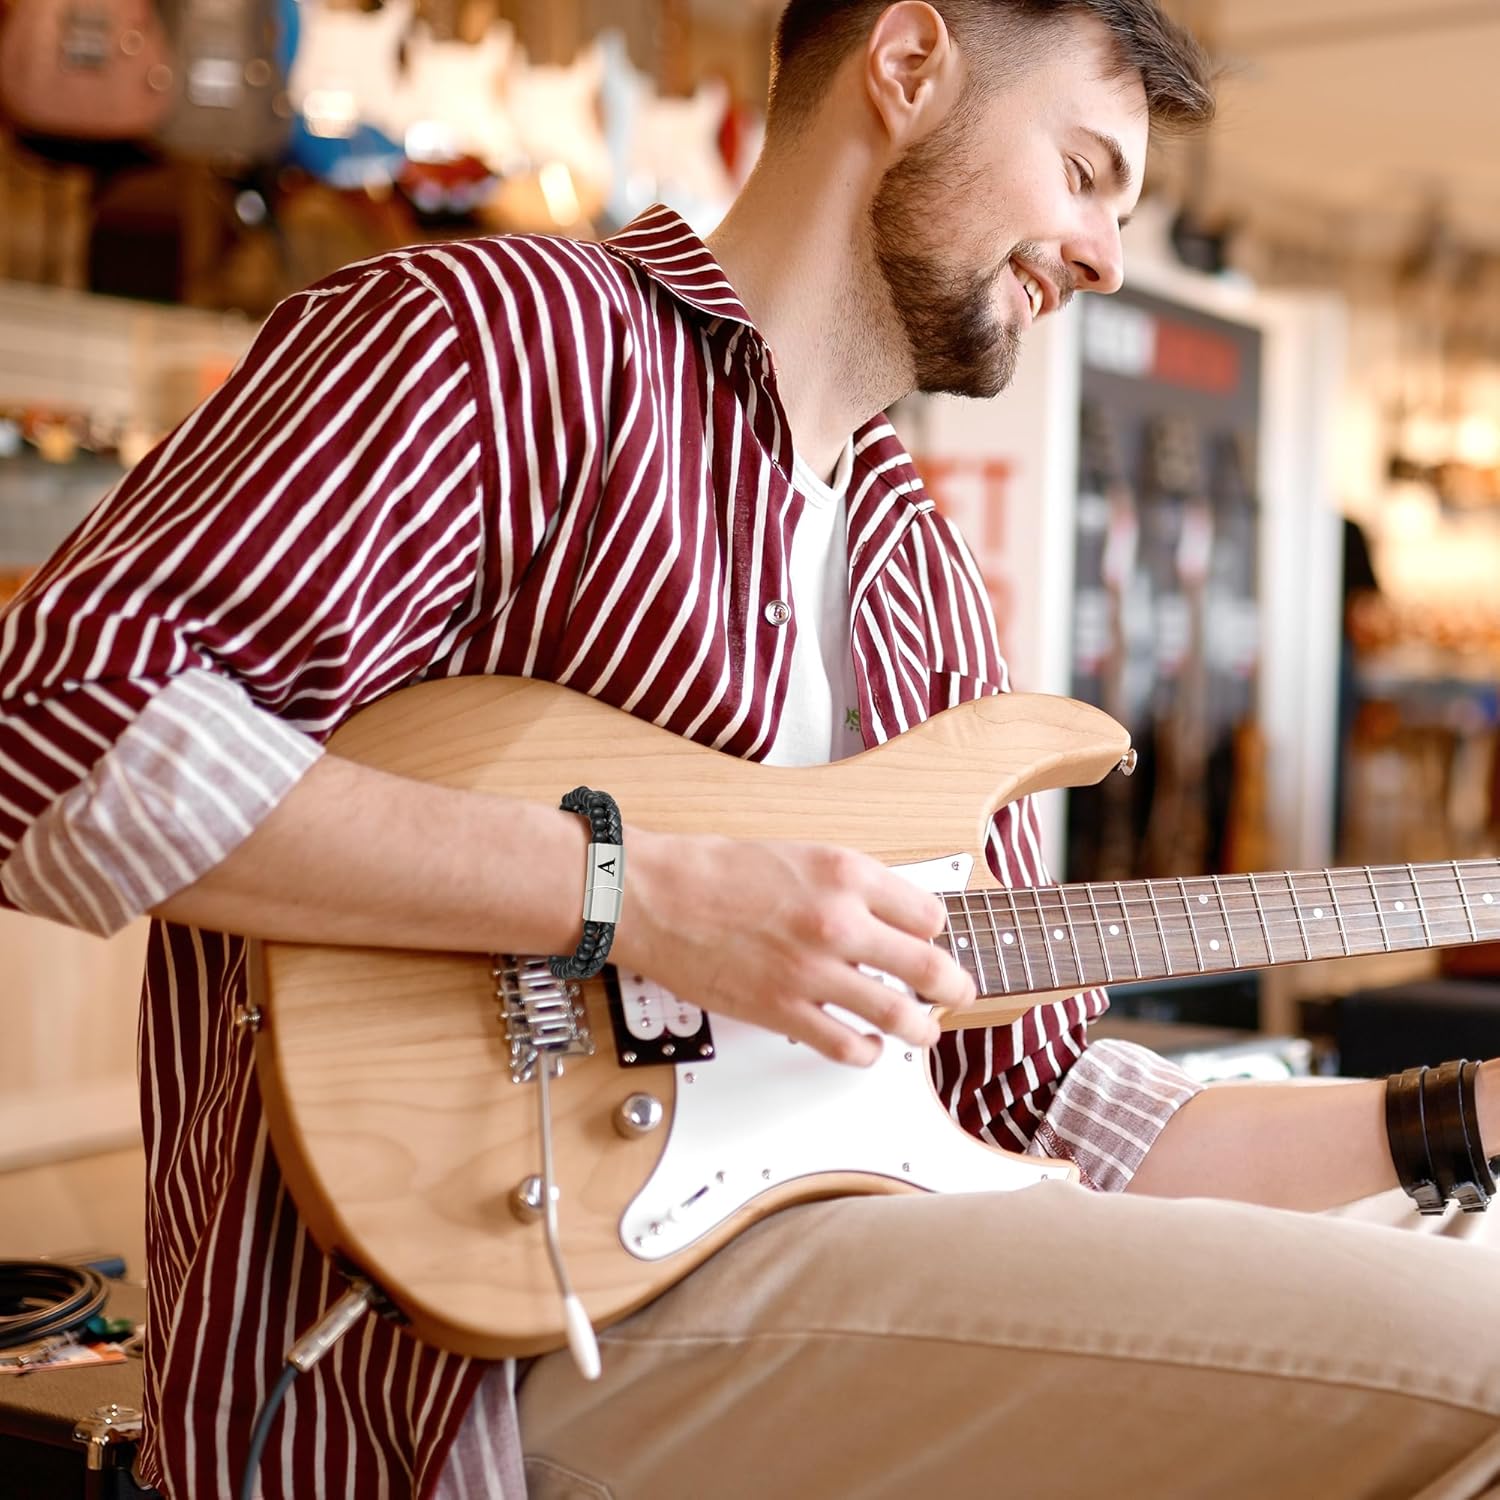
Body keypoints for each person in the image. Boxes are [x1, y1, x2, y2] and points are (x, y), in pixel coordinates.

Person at [2, 1, 1498, 1496]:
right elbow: (57, 729)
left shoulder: (921, 573)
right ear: (907, 68)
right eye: (1085, 169)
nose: (1106, 253)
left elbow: (1024, 1108)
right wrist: (637, 898)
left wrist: (1455, 1118)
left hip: (837, 1275)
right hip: (468, 1367)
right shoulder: (505, 340)